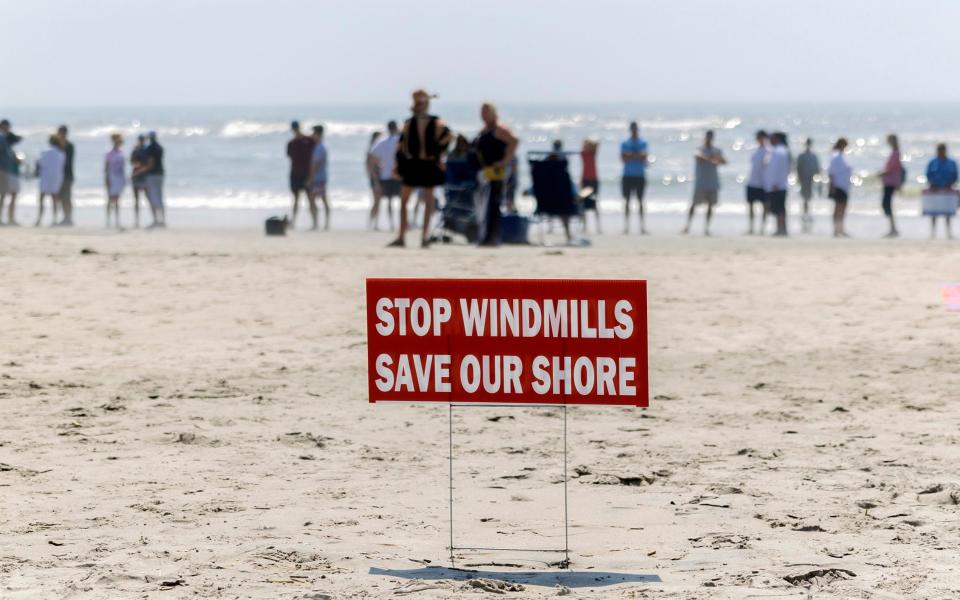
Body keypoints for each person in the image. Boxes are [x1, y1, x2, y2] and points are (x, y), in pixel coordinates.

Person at [389, 89, 452, 248]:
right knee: (405, 201)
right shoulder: (410, 123)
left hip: (428, 164)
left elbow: (448, 136)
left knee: (428, 201)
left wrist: (438, 155)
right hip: (413, 164)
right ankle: (402, 236)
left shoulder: (436, 122)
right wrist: (398, 165)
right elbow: (402, 146)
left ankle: (424, 236)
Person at [474, 102, 519, 246]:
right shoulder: (484, 130)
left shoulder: (499, 129)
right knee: (484, 203)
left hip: (497, 171)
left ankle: (492, 237)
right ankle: (485, 236)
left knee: (494, 203)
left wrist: (505, 161)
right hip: (485, 171)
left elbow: (515, 141)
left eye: (486, 111)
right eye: (482, 111)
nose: (484, 114)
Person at [682, 130, 726, 235]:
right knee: (694, 205)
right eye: (708, 137)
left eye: (711, 137)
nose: (709, 139)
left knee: (710, 206)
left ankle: (706, 228)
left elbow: (724, 161)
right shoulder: (700, 149)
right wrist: (712, 159)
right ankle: (687, 226)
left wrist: (715, 159)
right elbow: (698, 157)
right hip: (701, 182)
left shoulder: (717, 150)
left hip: (712, 182)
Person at [369, 121, 402, 231]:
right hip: (398, 175)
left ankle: (391, 224)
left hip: (386, 175)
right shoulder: (400, 140)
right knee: (402, 200)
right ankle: (402, 223)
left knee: (389, 202)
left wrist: (380, 167)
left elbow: (372, 157)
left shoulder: (382, 142)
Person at [924, 143, 958, 239]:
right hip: (935, 189)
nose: (941, 152)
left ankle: (948, 232)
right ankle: (933, 232)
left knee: (948, 212)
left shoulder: (951, 162)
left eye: (942, 150)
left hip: (947, 190)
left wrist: (950, 184)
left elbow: (955, 175)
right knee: (934, 212)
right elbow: (928, 174)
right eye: (939, 150)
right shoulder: (932, 162)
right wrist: (932, 183)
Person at [620, 121, 649, 234]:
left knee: (640, 201)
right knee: (627, 201)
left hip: (640, 175)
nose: (634, 131)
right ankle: (626, 227)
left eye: (635, 129)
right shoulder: (625, 142)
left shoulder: (643, 142)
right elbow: (623, 158)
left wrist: (631, 155)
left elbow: (644, 156)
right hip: (627, 175)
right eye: (632, 129)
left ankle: (642, 227)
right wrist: (637, 156)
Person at [286, 120, 315, 229]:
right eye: (294, 129)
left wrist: (311, 176)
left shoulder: (308, 141)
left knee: (310, 199)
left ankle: (314, 222)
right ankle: (293, 222)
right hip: (295, 174)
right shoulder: (291, 143)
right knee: (296, 199)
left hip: (306, 174)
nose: (295, 130)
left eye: (296, 128)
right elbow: (289, 157)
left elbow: (314, 156)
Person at [135, 131, 166, 228]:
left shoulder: (150, 149)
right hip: (160, 173)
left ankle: (156, 220)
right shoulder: (160, 148)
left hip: (152, 175)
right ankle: (162, 220)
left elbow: (150, 163)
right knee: (160, 197)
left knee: (153, 198)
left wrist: (139, 172)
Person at [764, 132, 791, 237]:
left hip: (777, 185)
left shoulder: (778, 151)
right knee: (780, 208)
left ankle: (781, 229)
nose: (770, 140)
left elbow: (777, 169)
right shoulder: (782, 150)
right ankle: (781, 228)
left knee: (779, 209)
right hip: (779, 184)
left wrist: (775, 183)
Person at [35, 135, 66, 227]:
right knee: (54, 199)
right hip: (56, 178)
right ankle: (55, 219)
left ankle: (39, 219)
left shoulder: (44, 152)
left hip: (45, 177)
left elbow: (39, 163)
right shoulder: (61, 154)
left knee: (41, 199)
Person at [879, 134, 904, 238]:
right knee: (887, 205)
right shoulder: (895, 153)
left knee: (886, 204)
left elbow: (892, 168)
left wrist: (882, 173)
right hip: (889, 182)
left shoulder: (896, 153)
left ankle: (893, 229)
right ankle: (893, 228)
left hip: (891, 182)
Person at [827, 138, 852, 238]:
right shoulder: (836, 156)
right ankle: (836, 229)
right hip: (838, 185)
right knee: (838, 208)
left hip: (844, 186)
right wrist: (832, 186)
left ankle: (840, 228)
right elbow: (831, 173)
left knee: (842, 208)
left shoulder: (841, 156)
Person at [306, 124, 330, 230]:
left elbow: (316, 165)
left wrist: (310, 179)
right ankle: (322, 223)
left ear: (317, 134)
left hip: (318, 178)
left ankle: (317, 223)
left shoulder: (319, 148)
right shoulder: (320, 147)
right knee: (321, 200)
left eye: (314, 133)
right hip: (321, 177)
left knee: (314, 200)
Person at [745, 130, 768, 235]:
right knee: (751, 206)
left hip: (763, 183)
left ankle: (762, 228)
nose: (759, 139)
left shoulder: (768, 151)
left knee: (765, 206)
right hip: (752, 182)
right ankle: (751, 227)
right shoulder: (754, 151)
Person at [796, 138, 820, 233]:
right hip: (803, 179)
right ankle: (805, 214)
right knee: (805, 198)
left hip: (810, 179)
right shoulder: (802, 156)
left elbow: (817, 169)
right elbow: (798, 168)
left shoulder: (813, 156)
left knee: (808, 198)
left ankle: (807, 213)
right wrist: (799, 179)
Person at [104, 133, 126, 229]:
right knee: (110, 199)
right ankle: (108, 220)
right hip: (111, 178)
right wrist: (107, 179)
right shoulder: (109, 153)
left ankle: (117, 220)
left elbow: (123, 167)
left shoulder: (121, 153)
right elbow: (106, 167)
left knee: (117, 200)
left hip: (119, 178)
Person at [56, 125, 75, 226]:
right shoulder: (57, 145)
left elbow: (67, 161)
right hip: (58, 176)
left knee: (67, 197)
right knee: (61, 197)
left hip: (67, 175)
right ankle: (65, 217)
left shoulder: (69, 146)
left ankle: (69, 217)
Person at [580, 138, 601, 233]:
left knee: (594, 203)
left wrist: (590, 141)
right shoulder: (583, 154)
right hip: (585, 180)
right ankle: (584, 227)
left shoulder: (593, 153)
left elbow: (597, 143)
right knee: (584, 204)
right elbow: (582, 148)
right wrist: (586, 143)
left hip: (594, 180)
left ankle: (598, 227)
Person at [130, 135, 149, 227]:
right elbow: (133, 162)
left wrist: (140, 168)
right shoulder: (136, 150)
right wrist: (140, 168)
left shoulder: (146, 150)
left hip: (143, 176)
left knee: (148, 198)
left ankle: (154, 219)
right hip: (137, 176)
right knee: (137, 200)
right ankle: (137, 220)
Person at [365, 131, 382, 228]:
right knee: (376, 202)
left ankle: (373, 223)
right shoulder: (372, 151)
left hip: (376, 178)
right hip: (375, 178)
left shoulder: (373, 150)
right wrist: (375, 180)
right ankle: (373, 223)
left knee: (377, 202)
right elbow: (370, 167)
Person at [0, 120, 14, 224]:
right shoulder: (1, 138)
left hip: (5, 169)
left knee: (4, 194)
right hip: (2, 169)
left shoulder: (4, 138)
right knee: (3, 194)